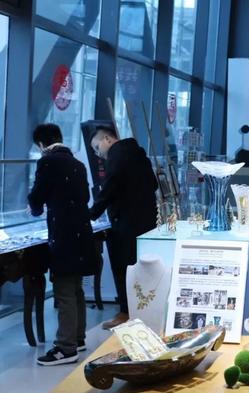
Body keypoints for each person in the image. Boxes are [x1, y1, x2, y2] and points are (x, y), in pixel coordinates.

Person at [28, 124, 97, 365]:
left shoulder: (47, 162)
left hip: (64, 235)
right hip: (81, 234)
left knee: (64, 290)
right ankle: (78, 338)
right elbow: (85, 197)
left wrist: (35, 208)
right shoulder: (78, 164)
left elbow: (37, 196)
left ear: (41, 144)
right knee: (76, 288)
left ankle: (66, 348)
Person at [88, 125, 158, 329]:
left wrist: (91, 214)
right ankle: (142, 310)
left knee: (123, 269)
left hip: (125, 224)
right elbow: (153, 184)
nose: (97, 153)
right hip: (146, 221)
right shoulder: (138, 153)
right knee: (141, 268)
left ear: (107, 139)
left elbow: (110, 188)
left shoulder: (116, 156)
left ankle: (126, 313)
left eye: (97, 147)